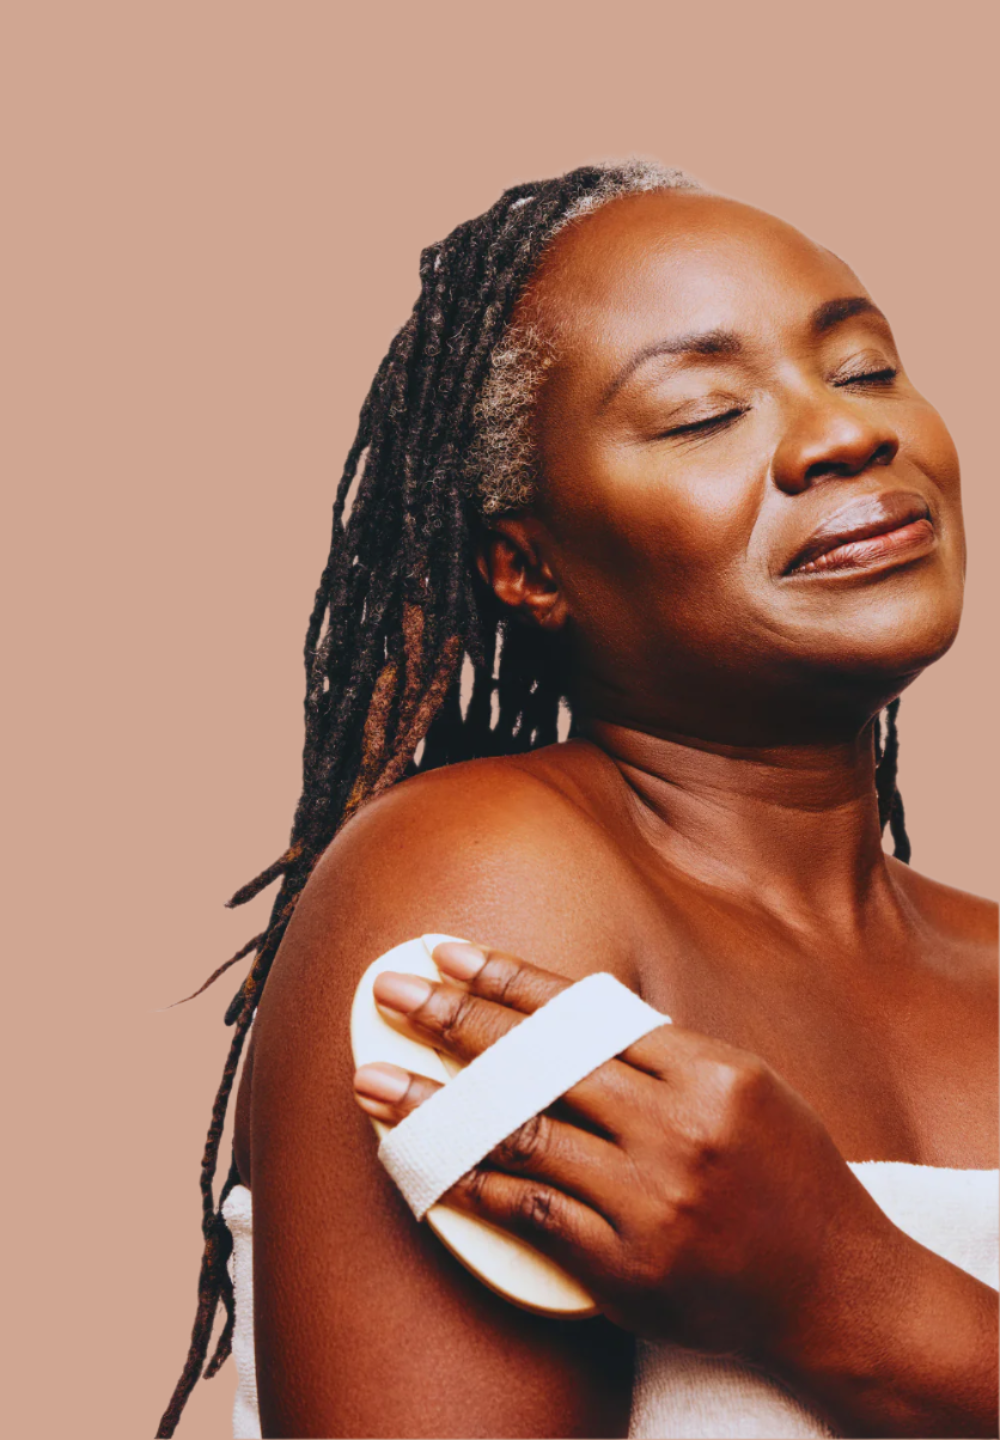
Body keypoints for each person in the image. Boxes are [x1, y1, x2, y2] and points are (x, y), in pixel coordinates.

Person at [158, 161, 998, 1439]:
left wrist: (847, 1294)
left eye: (866, 367)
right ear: (528, 567)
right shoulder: (482, 881)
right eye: (702, 411)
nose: (844, 432)